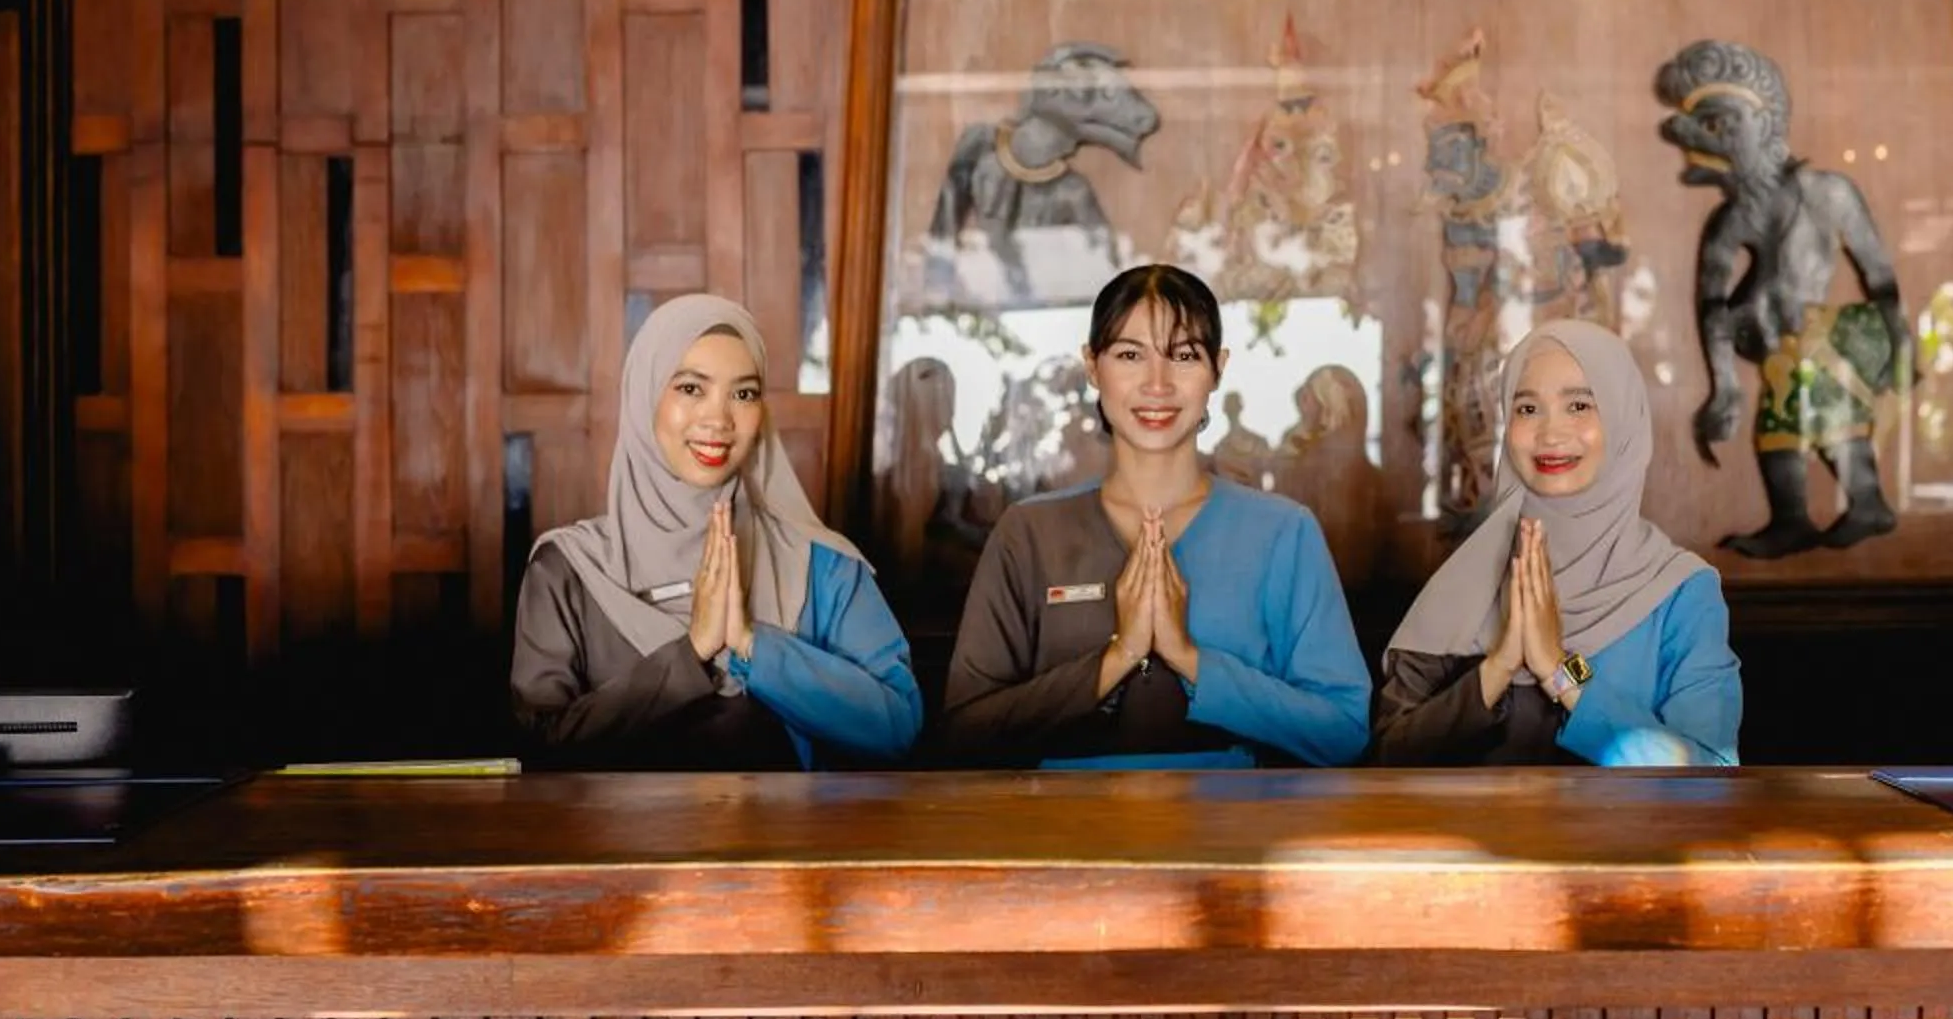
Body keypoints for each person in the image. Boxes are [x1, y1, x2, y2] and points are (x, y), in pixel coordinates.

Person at [939, 264, 1369, 769]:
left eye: (1184, 355)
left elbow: (1344, 731)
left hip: (1234, 833)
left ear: (1218, 368)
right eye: (1129, 354)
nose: (1158, 383)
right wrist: (1118, 657)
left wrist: (1189, 659)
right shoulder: (1029, 533)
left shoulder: (1283, 532)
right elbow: (964, 735)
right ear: (1093, 366)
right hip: (1057, 835)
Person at [509, 294, 921, 768]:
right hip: (615, 842)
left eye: (744, 394)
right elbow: (538, 750)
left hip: (789, 841)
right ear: (644, 395)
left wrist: (751, 643)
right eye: (690, 388)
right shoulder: (569, 569)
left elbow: (898, 725)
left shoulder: (818, 562)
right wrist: (691, 654)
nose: (719, 420)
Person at [1371, 319, 1741, 766]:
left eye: (1579, 405)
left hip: (1626, 838)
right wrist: (1497, 667)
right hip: (1477, 836)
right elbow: (1388, 759)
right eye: (1527, 409)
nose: (1550, 433)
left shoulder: (1680, 591)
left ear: (1624, 418)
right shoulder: (1466, 581)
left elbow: (1709, 770)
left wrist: (1560, 667)